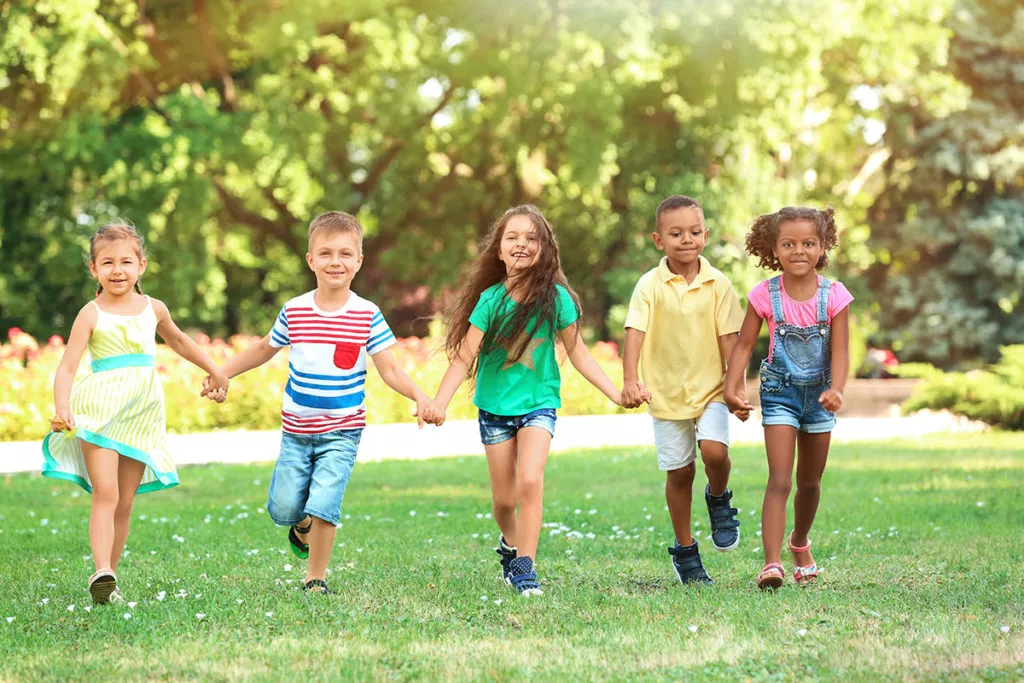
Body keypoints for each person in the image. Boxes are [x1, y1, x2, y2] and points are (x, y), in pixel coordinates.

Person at [204, 211, 435, 595]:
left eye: (346, 254)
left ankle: (315, 578)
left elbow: (390, 369)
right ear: (310, 260)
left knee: (325, 502)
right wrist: (222, 372)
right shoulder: (295, 310)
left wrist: (420, 395)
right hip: (296, 431)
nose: (336, 262)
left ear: (358, 261)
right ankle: (300, 526)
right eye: (326, 253)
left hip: (343, 430)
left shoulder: (367, 314)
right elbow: (264, 348)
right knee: (282, 508)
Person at [422, 205, 629, 596]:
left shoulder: (557, 300)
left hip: (538, 404)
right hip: (495, 409)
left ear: (546, 249)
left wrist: (616, 393)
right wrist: (439, 402)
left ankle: (525, 566)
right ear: (498, 251)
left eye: (532, 238)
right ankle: (509, 542)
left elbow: (580, 353)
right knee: (503, 501)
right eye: (512, 237)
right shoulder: (490, 300)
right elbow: (464, 357)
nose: (521, 244)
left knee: (530, 481)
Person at [43, 222, 229, 604]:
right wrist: (63, 407)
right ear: (94, 269)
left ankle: (107, 580)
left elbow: (178, 339)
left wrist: (215, 369)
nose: (117, 270)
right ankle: (101, 568)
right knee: (106, 493)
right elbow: (67, 366)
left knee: (125, 500)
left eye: (126, 261)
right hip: (98, 413)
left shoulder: (153, 309)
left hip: (141, 416)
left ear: (142, 265)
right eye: (107, 262)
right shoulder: (90, 313)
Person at [724, 206, 853, 590]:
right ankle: (772, 563)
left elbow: (842, 351)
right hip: (779, 394)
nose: (799, 251)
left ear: (822, 246)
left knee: (810, 482)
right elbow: (745, 345)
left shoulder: (835, 295)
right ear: (774, 249)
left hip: (820, 398)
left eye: (808, 243)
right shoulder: (765, 294)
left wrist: (837, 390)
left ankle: (799, 542)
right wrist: (734, 388)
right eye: (789, 244)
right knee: (779, 479)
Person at [621, 195, 745, 584]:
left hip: (712, 389)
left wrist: (736, 387)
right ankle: (685, 549)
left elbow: (731, 340)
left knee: (715, 452)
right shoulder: (648, 285)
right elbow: (634, 333)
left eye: (694, 232)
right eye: (676, 233)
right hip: (664, 393)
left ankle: (718, 497)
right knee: (680, 473)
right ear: (659, 240)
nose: (686, 239)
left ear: (706, 235)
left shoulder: (719, 284)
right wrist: (630, 381)